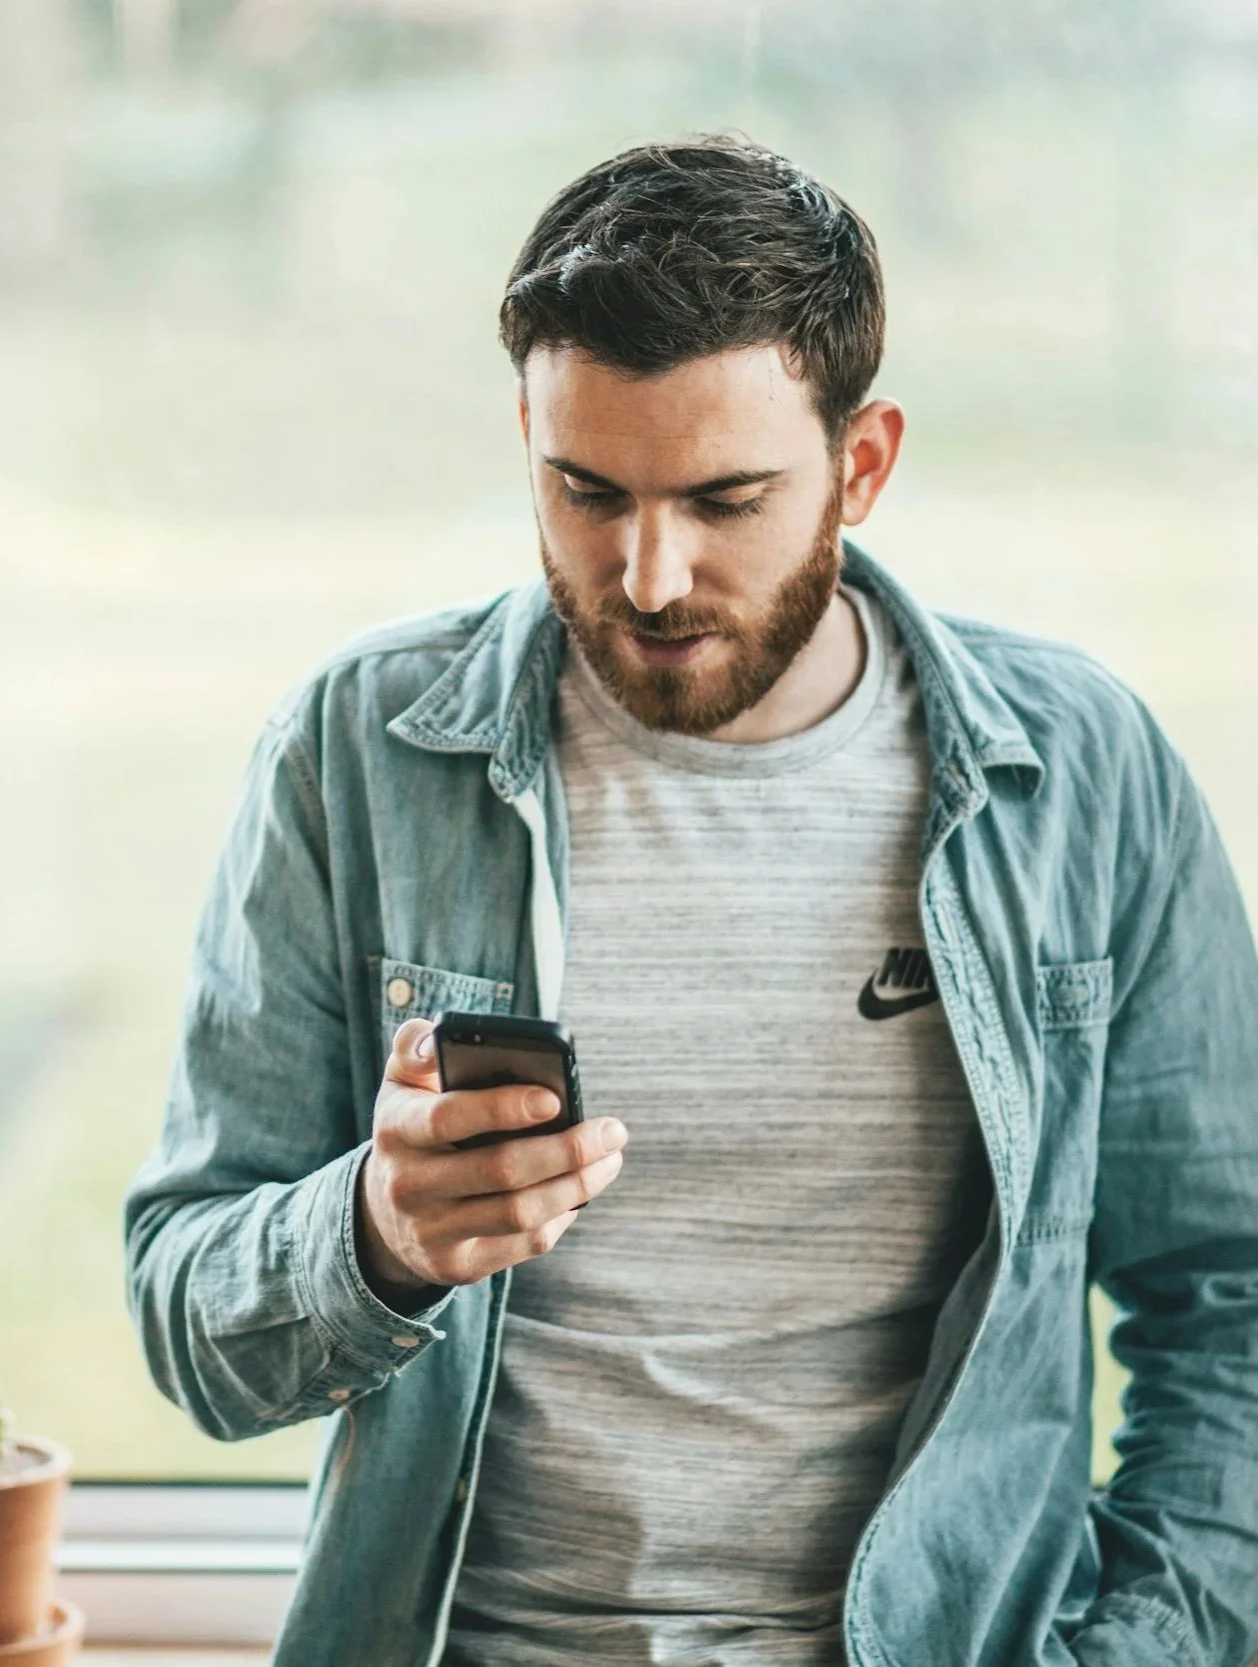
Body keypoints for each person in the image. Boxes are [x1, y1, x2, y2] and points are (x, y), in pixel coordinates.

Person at [121, 133, 1258, 1667]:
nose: (647, 574)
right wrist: (376, 1231)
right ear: (523, 430)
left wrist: (1140, 1648)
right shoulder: (357, 754)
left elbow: (1230, 1297)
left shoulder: (1081, 773)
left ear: (861, 464)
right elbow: (191, 1322)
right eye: (584, 490)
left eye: (724, 499)